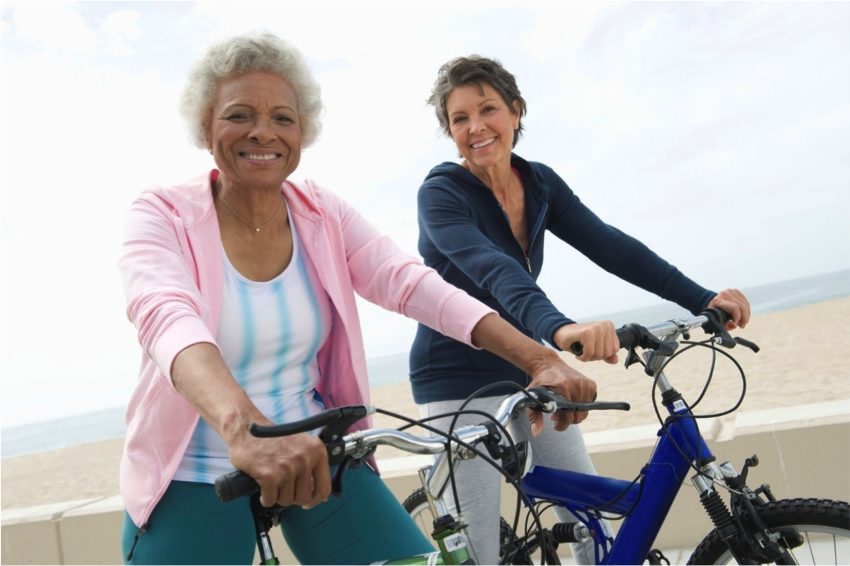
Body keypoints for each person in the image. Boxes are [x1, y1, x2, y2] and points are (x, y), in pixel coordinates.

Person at [118, 33, 598, 566]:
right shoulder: (161, 214)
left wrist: (540, 359)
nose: (263, 132)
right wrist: (245, 431)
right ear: (207, 125)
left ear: (302, 132)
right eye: (239, 115)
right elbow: (167, 319)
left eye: (283, 118)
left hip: (319, 457)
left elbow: (411, 283)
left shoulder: (321, 214)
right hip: (196, 470)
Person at [410, 55, 752, 565]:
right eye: (459, 119)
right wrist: (560, 329)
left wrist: (702, 299)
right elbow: (495, 270)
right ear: (450, 131)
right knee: (477, 550)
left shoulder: (539, 183)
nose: (476, 127)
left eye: (488, 109)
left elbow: (611, 246)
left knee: (594, 518)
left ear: (517, 112)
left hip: (530, 371)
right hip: (459, 380)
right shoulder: (441, 195)